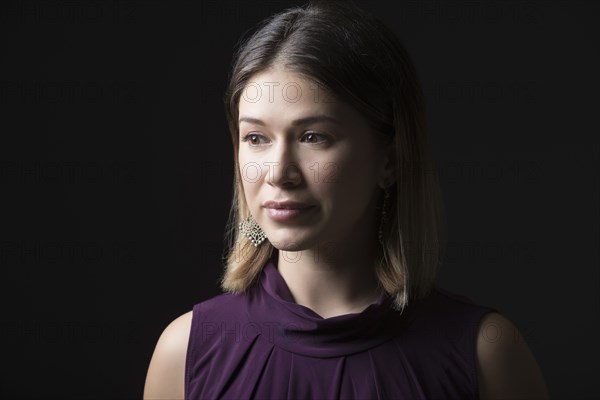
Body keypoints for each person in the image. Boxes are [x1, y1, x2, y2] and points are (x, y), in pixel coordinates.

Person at [144, 1, 549, 399]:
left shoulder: (486, 357)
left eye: (313, 137)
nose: (278, 172)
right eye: (256, 138)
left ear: (389, 160)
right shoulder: (184, 353)